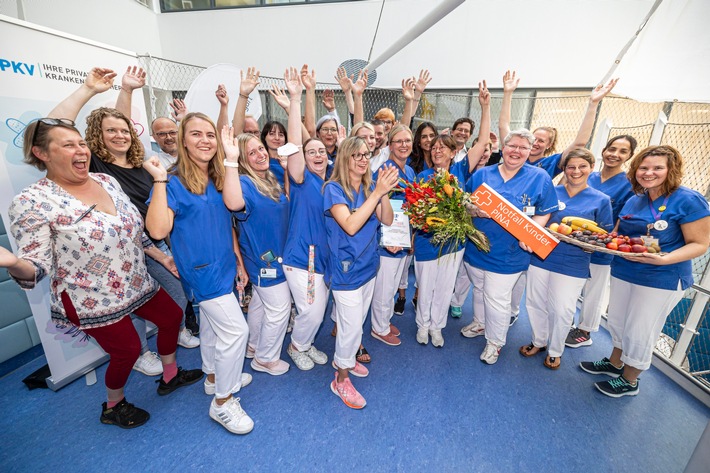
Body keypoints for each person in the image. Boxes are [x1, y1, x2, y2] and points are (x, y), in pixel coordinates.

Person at [3, 117, 202, 429]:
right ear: (41, 153)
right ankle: (113, 405)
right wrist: (12, 262)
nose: (80, 150)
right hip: (90, 298)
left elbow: (134, 226)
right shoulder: (32, 201)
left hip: (136, 281)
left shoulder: (106, 181)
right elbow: (34, 269)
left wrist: (161, 258)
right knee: (128, 351)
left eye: (81, 142)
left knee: (171, 317)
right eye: (68, 145)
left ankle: (170, 375)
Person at [47, 67, 199, 379]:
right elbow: (53, 128)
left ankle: (178, 328)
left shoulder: (140, 163)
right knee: (133, 304)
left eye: (125, 131)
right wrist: (126, 91)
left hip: (151, 242)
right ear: (96, 138)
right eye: (111, 131)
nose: (120, 135)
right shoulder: (97, 165)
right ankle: (143, 352)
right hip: (116, 252)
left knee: (175, 291)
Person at [144, 113, 253, 434]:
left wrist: (238, 261)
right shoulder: (173, 181)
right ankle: (223, 401)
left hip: (223, 265)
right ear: (183, 140)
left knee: (211, 327)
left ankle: (213, 376)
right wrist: (159, 180)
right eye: (196, 134)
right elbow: (157, 228)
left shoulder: (216, 176)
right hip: (202, 271)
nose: (205, 140)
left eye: (210, 134)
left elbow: (230, 215)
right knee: (236, 332)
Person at [580, 145, 710, 397]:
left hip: (661, 277)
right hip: (625, 270)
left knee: (641, 328)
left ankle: (630, 379)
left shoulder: (688, 199)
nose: (649, 172)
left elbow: (701, 243)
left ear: (671, 170)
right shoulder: (635, 199)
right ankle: (614, 362)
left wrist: (665, 259)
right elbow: (618, 234)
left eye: (657, 168)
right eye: (644, 167)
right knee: (617, 320)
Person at [462, 129, 558, 364]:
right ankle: (480, 323)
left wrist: (532, 234)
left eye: (523, 147)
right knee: (481, 289)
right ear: (502, 148)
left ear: (531, 151)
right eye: (512, 146)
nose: (516, 151)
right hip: (477, 248)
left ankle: (495, 342)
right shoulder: (482, 174)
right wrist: (473, 209)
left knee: (497, 298)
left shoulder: (539, 177)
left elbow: (546, 211)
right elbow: (463, 202)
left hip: (510, 254)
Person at [222, 80, 293, 376]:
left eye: (261, 149)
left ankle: (253, 346)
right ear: (242, 159)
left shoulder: (270, 177)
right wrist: (230, 161)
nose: (261, 154)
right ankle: (265, 358)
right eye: (252, 153)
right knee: (279, 308)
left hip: (276, 254)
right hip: (263, 260)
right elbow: (234, 204)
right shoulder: (243, 183)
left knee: (263, 306)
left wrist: (287, 170)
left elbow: (286, 202)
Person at [414, 80, 491, 347]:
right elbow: (415, 212)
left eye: (442, 148)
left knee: (445, 288)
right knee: (425, 287)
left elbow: (482, 142)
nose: (437, 150)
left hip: (453, 243)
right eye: (433, 148)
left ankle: (437, 327)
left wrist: (486, 106)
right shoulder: (421, 177)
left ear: (453, 152)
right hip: (426, 242)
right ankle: (422, 325)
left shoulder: (459, 172)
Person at [324, 136, 398, 408]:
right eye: (356, 155)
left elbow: (387, 219)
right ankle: (340, 379)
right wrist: (377, 193)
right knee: (350, 327)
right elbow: (351, 225)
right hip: (345, 273)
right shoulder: (333, 189)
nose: (363, 159)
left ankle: (345, 360)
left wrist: (383, 191)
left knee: (355, 325)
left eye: (366, 154)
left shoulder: (370, 188)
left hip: (368, 267)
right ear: (345, 158)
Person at [522, 149, 613, 369]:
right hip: (541, 258)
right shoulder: (551, 192)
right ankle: (538, 341)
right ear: (564, 168)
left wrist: (591, 245)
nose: (576, 171)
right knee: (535, 303)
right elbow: (535, 220)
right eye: (571, 166)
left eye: (582, 166)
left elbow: (604, 236)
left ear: (591, 168)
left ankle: (555, 350)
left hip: (573, 263)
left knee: (562, 309)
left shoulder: (601, 200)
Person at [273, 68, 330, 371]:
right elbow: (295, 143)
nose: (317, 154)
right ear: (304, 158)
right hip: (302, 258)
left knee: (316, 311)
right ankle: (297, 346)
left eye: (321, 150)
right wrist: (296, 100)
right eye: (311, 151)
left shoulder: (332, 181)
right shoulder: (300, 177)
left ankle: (305, 343)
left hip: (323, 259)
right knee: (311, 310)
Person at [566, 135, 637, 348]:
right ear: (604, 150)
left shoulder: (629, 185)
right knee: (571, 287)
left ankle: (585, 331)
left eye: (623, 151)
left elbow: (623, 218)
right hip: (573, 241)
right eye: (612, 149)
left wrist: (605, 241)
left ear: (630, 156)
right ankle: (566, 324)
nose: (615, 154)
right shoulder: (589, 175)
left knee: (593, 290)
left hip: (602, 246)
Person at [370, 124, 417, 346]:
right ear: (390, 146)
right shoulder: (384, 171)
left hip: (402, 239)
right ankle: (378, 328)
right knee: (385, 287)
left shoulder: (410, 171)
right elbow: (377, 206)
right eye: (398, 141)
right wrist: (388, 239)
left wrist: (410, 237)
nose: (403, 145)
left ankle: (385, 321)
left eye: (407, 140)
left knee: (392, 285)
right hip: (388, 242)